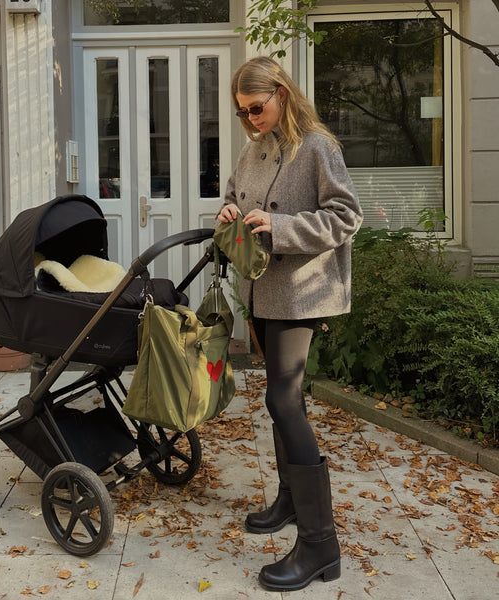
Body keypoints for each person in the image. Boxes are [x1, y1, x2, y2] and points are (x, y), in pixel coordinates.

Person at [217, 56, 362, 592]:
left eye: (257, 107)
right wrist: (229, 213)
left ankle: (321, 545)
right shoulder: (253, 147)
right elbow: (234, 195)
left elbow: (347, 215)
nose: (251, 119)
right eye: (242, 113)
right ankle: (288, 499)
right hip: (260, 289)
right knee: (285, 399)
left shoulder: (318, 146)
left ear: (281, 92)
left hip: (302, 292)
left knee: (282, 398)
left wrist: (279, 224)